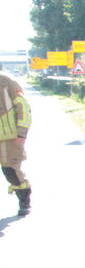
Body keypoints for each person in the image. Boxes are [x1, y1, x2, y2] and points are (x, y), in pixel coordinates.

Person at [0, 65, 31, 216]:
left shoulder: (7, 82)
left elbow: (23, 108)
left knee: (11, 171)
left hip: (8, 139)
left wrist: (21, 133)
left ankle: (24, 199)